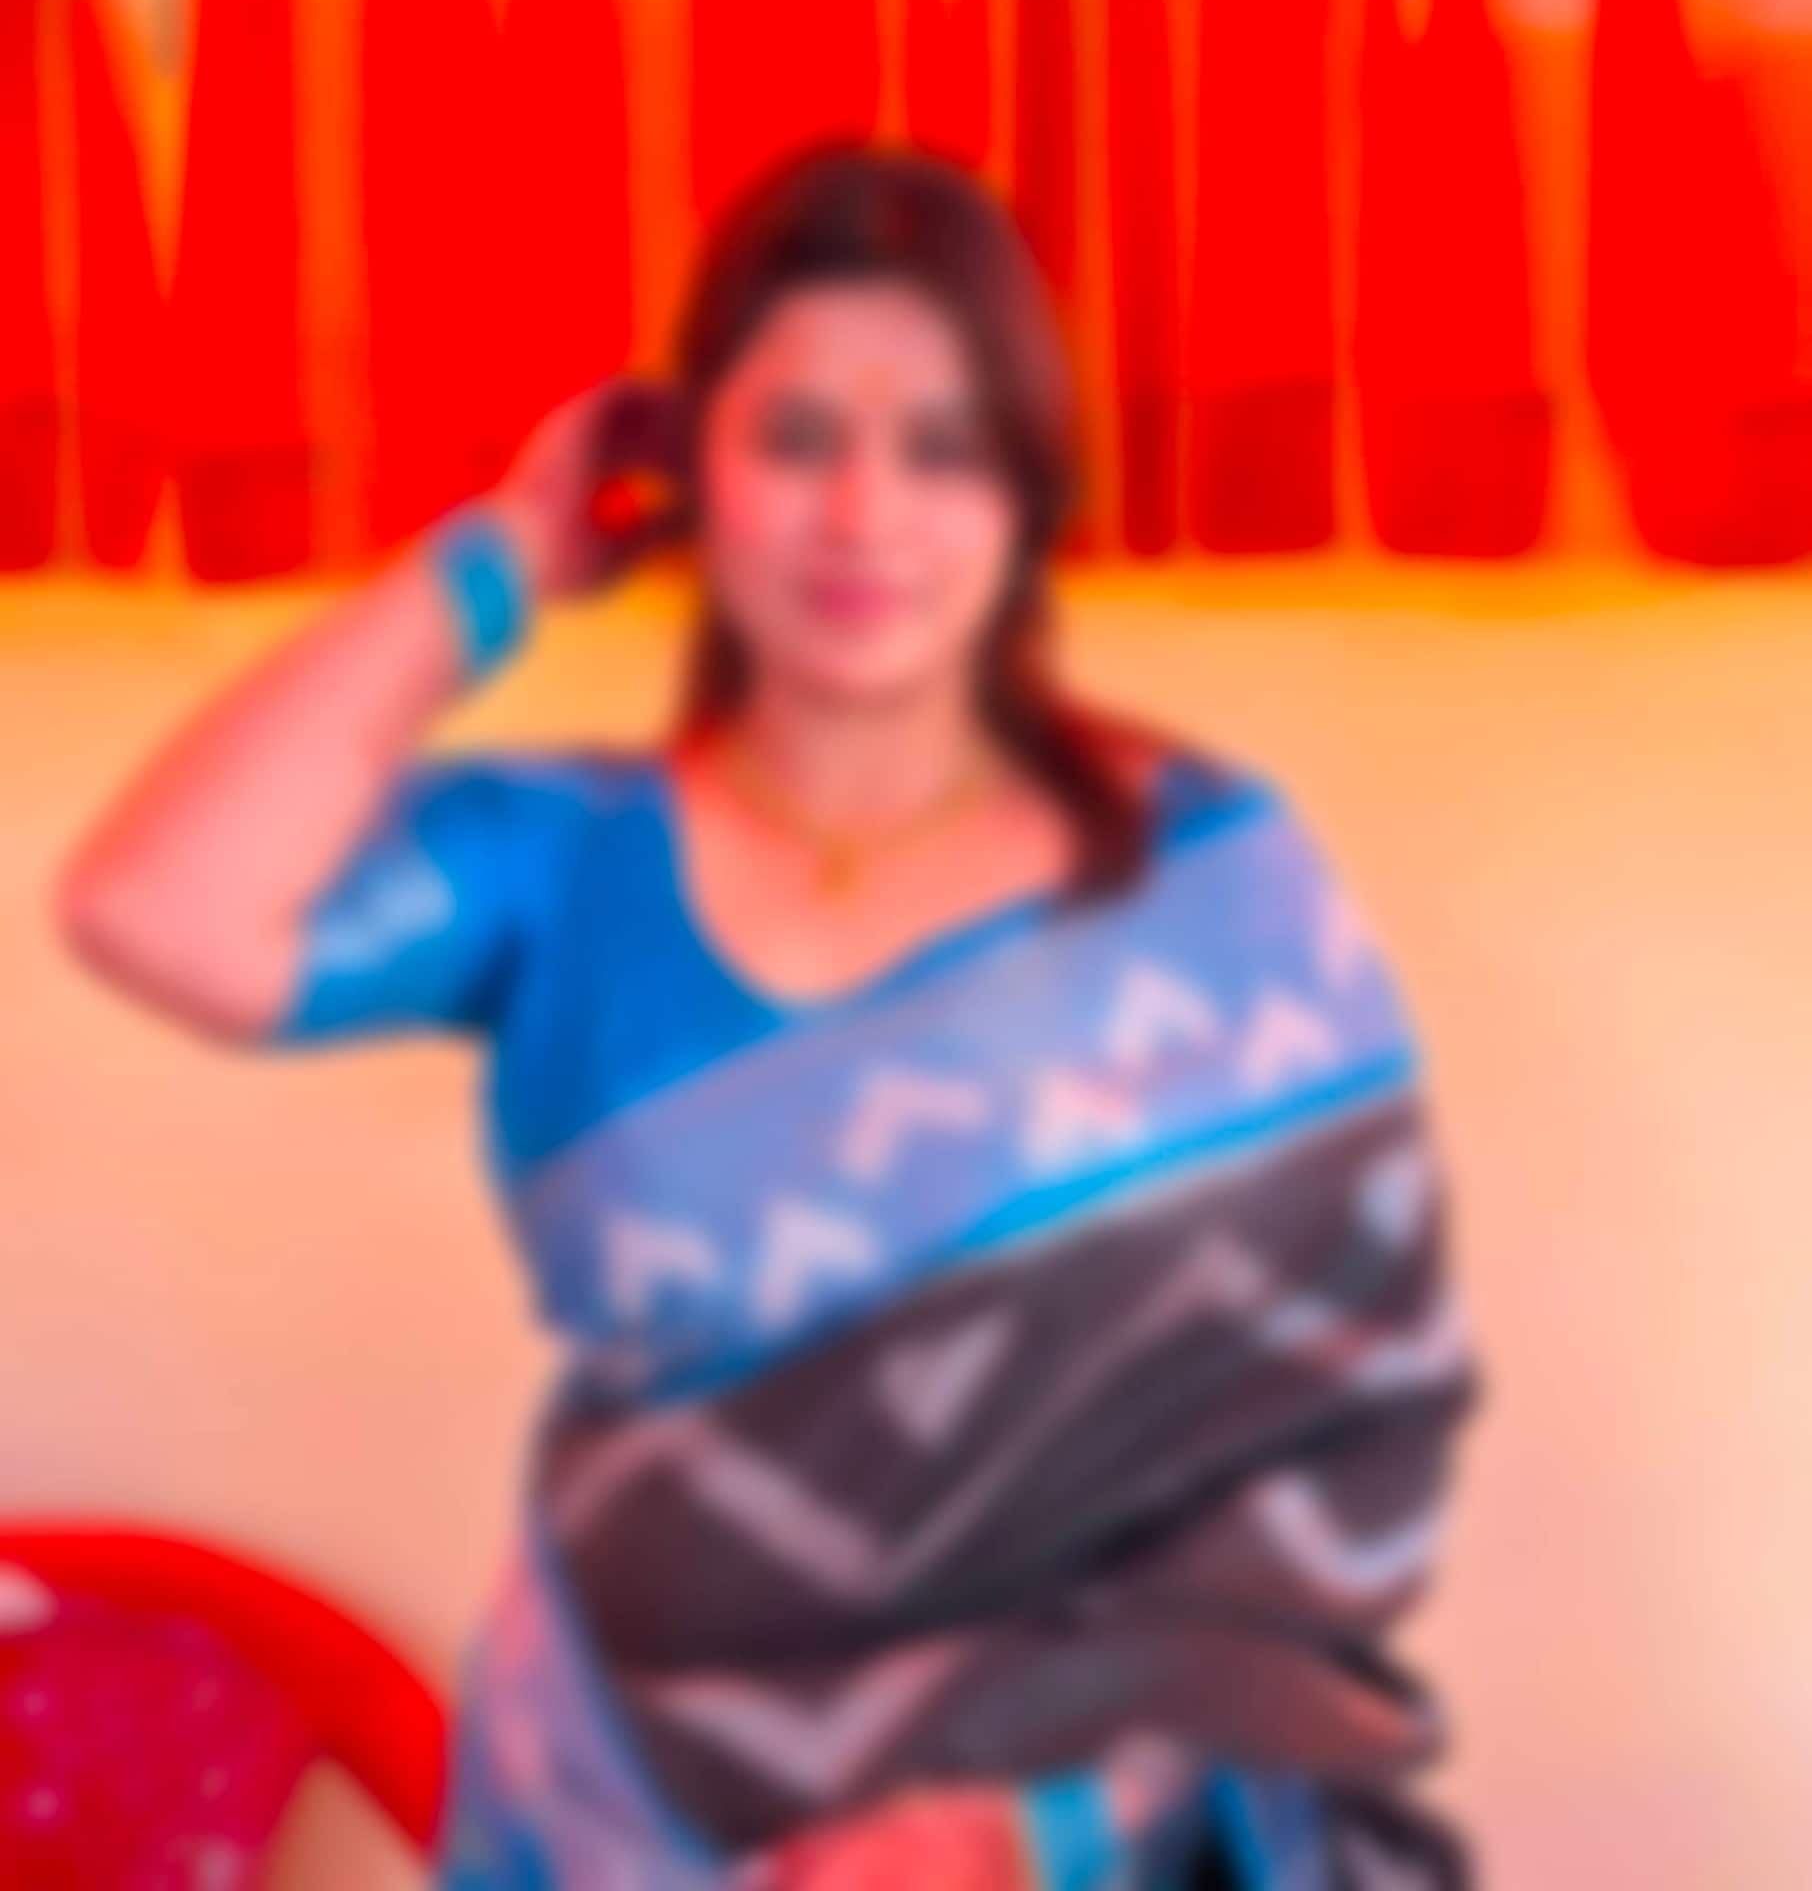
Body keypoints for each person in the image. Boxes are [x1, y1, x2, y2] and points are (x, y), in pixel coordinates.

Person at [56, 142, 1482, 1889]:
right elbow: (151, 911)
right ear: (690, 467)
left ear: (1026, 490)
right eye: (797, 438)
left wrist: (1039, 1831)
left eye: (942, 447)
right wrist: (509, 554)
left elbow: (1353, 1424)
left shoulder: (1205, 874)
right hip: (616, 1824)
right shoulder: (565, 866)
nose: (863, 515)